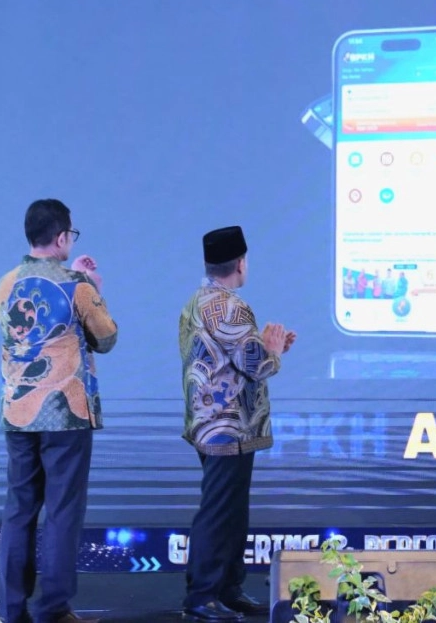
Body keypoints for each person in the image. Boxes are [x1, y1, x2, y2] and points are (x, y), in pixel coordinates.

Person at [0, 198, 118, 623]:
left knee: (18, 510)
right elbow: (106, 338)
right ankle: (54, 609)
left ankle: (11, 610)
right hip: (65, 413)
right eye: (71, 235)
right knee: (63, 511)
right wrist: (93, 287)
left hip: (18, 414)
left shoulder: (4, 285)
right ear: (62, 237)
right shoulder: (77, 285)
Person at [180, 226, 296, 623]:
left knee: (231, 510)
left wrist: (264, 344)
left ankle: (228, 588)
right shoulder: (230, 306)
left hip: (210, 422)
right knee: (219, 511)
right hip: (227, 425)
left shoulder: (198, 301)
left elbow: (228, 353)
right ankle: (202, 594)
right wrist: (273, 351)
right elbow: (256, 365)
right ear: (241, 263)